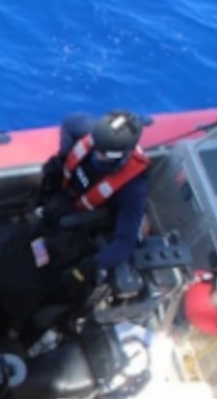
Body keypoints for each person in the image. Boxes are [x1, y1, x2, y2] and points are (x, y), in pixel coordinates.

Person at [37, 108, 152, 281]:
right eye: (95, 149)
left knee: (59, 233)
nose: (96, 156)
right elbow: (70, 120)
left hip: (86, 212)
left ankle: (44, 258)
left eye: (102, 154)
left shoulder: (133, 188)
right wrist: (64, 155)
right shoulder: (91, 133)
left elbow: (125, 244)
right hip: (67, 191)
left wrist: (90, 266)